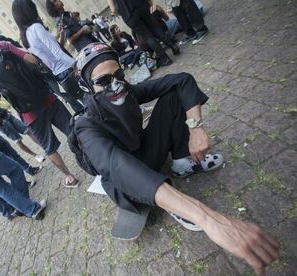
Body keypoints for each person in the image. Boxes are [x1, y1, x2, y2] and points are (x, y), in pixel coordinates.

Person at [73, 43, 279, 274]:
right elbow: (115, 166)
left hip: (143, 153)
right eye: (103, 81)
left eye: (119, 75)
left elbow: (182, 79)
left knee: (171, 95)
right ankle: (169, 201)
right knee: (128, 170)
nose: (115, 85)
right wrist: (207, 218)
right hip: (123, 179)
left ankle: (182, 162)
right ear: (87, 87)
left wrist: (196, 128)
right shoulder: (85, 125)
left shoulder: (127, 91)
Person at [0, 27, 79, 188]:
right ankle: (90, 156)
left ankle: (69, 176)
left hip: (28, 113)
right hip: (45, 97)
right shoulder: (2, 45)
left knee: (49, 148)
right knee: (72, 129)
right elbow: (32, 59)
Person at [12, 0, 84, 113]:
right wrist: (77, 65)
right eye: (32, 7)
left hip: (59, 75)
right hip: (68, 69)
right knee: (92, 100)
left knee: (87, 106)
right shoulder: (36, 27)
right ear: (29, 10)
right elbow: (58, 53)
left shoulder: (25, 37)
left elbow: (45, 58)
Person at [107, 0, 179, 67]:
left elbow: (113, 9)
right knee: (155, 28)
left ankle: (165, 59)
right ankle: (173, 46)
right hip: (141, 5)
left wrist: (118, 10)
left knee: (147, 36)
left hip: (129, 13)